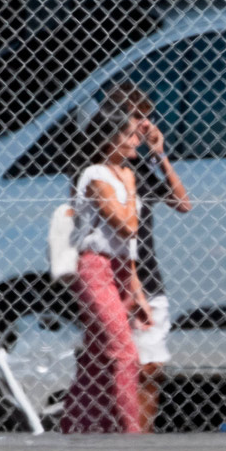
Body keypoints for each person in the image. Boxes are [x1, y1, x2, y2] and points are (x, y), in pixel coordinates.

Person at [102, 83, 192, 434]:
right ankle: (114, 431)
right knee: (116, 367)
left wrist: (160, 155)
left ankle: (139, 436)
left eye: (147, 118)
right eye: (137, 117)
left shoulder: (141, 170)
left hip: (149, 279)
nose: (145, 125)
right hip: (113, 280)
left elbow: (182, 203)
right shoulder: (99, 171)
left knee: (151, 366)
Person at [59, 106, 153, 434]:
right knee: (124, 354)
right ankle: (132, 432)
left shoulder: (122, 175)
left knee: (97, 358)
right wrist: (130, 188)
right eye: (128, 135)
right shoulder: (97, 176)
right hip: (96, 269)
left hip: (121, 270)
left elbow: (128, 245)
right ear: (108, 138)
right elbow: (127, 227)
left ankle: (74, 426)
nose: (135, 142)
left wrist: (136, 289)